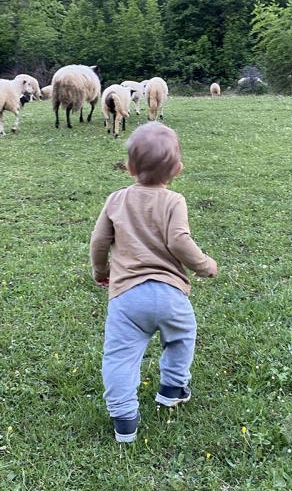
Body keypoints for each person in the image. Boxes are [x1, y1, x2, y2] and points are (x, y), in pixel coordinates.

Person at [90, 122, 218, 443]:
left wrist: (99, 270)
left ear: (130, 167)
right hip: (171, 295)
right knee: (181, 337)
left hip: (126, 298)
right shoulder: (174, 201)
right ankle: (172, 389)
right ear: (177, 168)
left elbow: (99, 241)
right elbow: (178, 240)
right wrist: (203, 265)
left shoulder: (116, 199)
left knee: (120, 357)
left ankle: (124, 419)